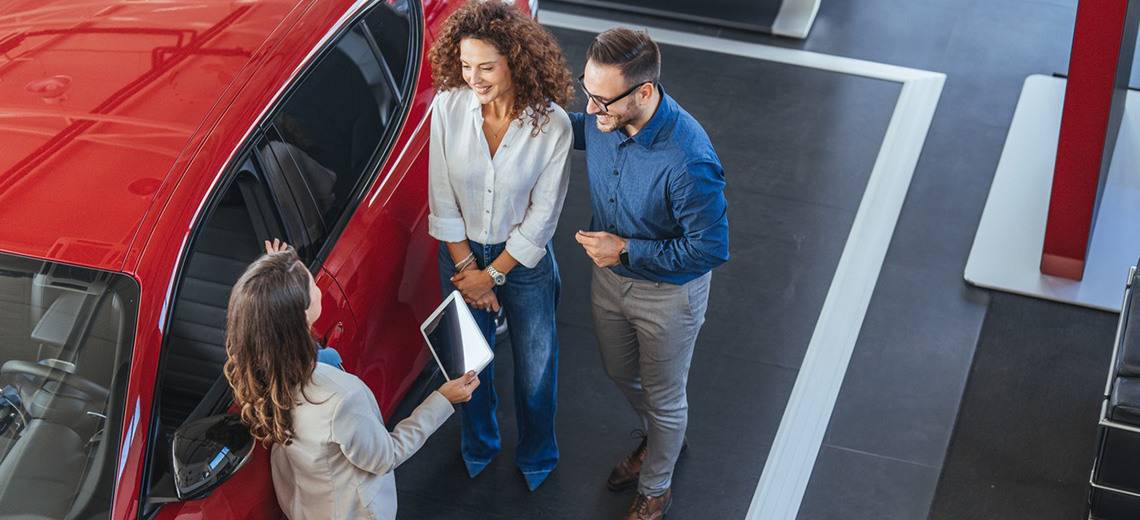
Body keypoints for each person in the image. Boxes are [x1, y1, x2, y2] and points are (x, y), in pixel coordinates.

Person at [571, 28, 729, 520]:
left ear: (644, 91)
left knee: (664, 395)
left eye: (603, 100)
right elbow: (574, 125)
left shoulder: (689, 158)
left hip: (669, 295)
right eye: (587, 91)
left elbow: (711, 247)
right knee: (620, 372)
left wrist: (626, 251)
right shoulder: (603, 118)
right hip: (611, 279)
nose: (592, 110)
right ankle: (665, 437)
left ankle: (656, 484)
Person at [425, 0, 574, 491]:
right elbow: (441, 199)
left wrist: (491, 276)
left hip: (524, 265)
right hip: (460, 258)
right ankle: (479, 446)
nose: (474, 77)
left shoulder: (552, 125)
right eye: (466, 65)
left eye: (486, 66)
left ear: (516, 61)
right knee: (470, 369)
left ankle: (537, 454)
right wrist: (470, 270)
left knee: (535, 375)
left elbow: (541, 220)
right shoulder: (447, 107)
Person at [223, 241, 479, 520]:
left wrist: (274, 283)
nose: (316, 282)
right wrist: (442, 400)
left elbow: (271, 319)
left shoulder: (263, 364)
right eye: (311, 283)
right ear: (301, 314)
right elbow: (385, 456)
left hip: (305, 500)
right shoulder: (341, 399)